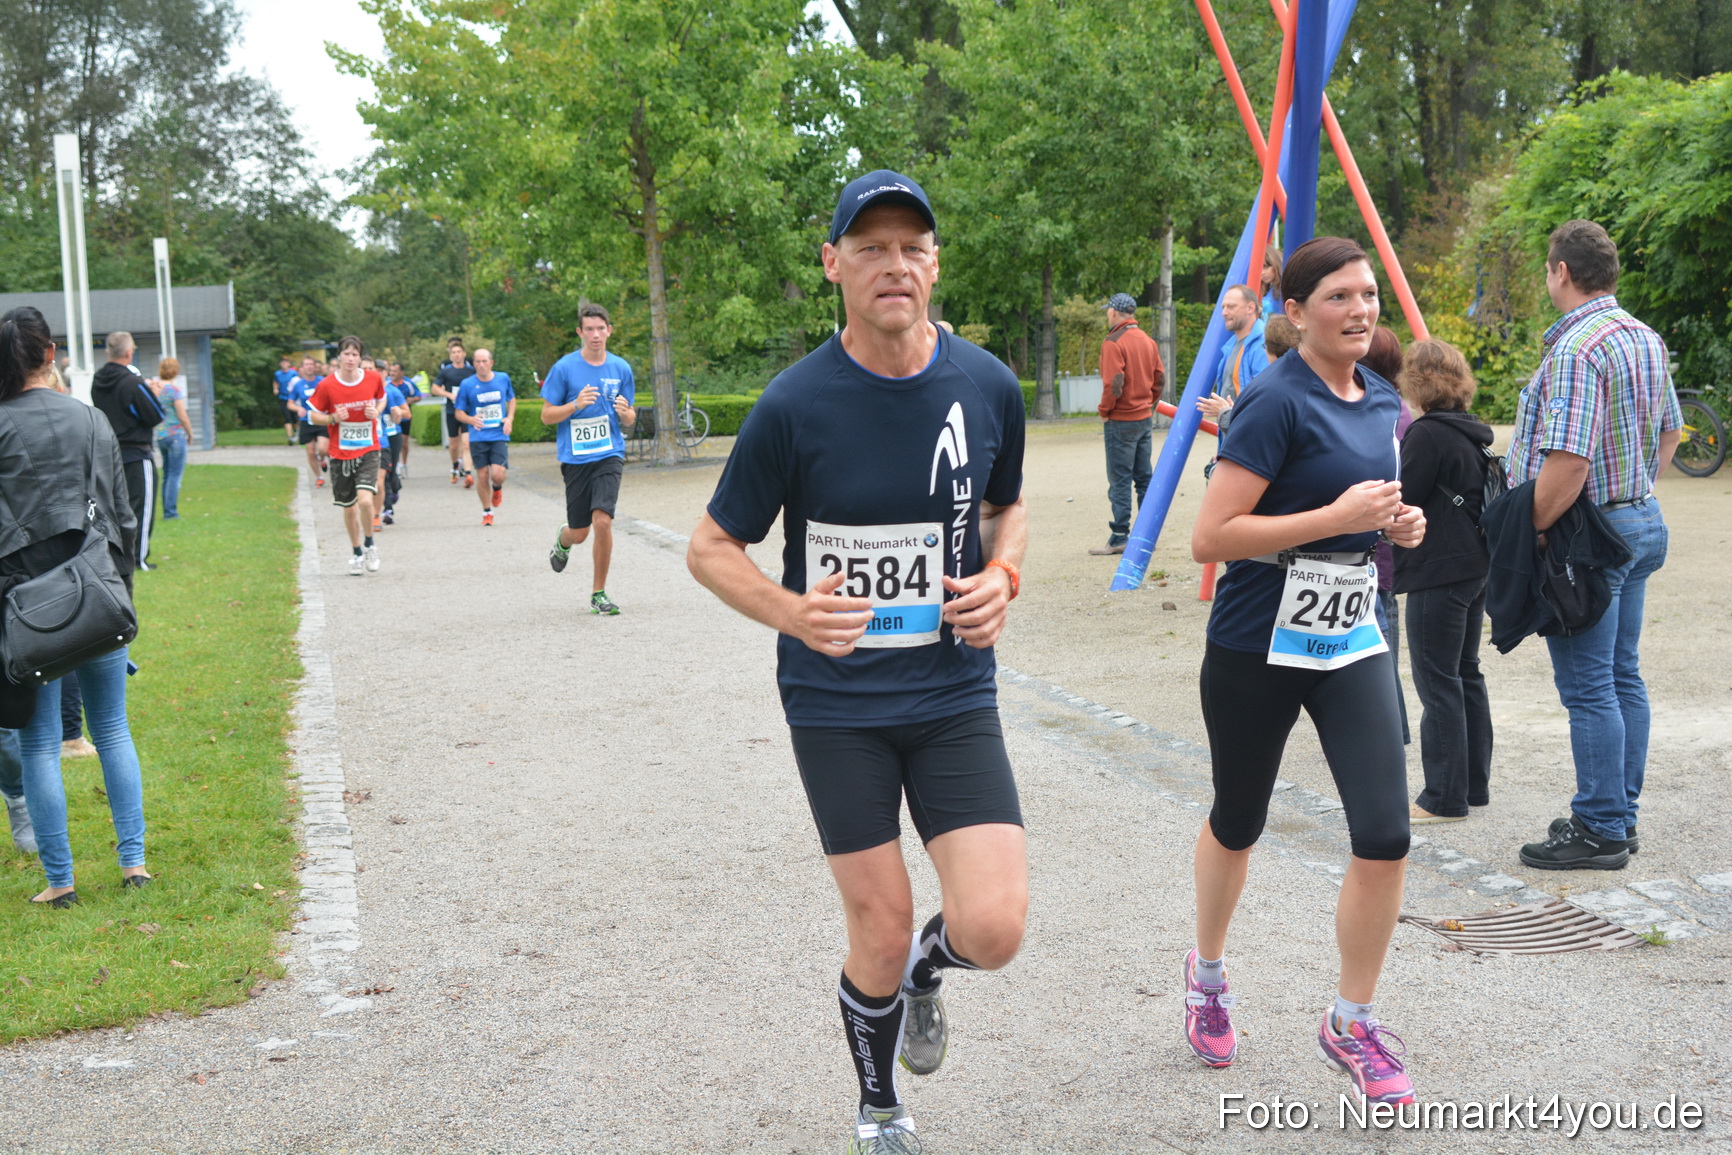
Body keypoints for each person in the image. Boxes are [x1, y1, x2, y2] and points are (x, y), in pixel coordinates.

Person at [687, 170, 1029, 1154]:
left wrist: (1003, 573)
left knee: (994, 929)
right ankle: (879, 1104)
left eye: (910, 246)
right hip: (837, 707)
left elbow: (1010, 507)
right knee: (877, 924)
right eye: (868, 247)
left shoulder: (986, 383)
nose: (893, 264)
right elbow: (712, 546)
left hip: (954, 691)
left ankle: (933, 971)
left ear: (934, 264)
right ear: (832, 264)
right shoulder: (794, 405)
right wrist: (794, 612)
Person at [1185, 237, 1424, 1104]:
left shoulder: (1383, 400)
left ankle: (1351, 1021)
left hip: (1347, 635)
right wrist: (1332, 514)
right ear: (1295, 311)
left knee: (1386, 832)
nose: (1361, 310)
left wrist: (1396, 526)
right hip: (1257, 641)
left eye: (1368, 295)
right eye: (1339, 297)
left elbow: (1368, 510)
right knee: (1239, 821)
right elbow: (1211, 537)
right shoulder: (1270, 403)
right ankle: (1208, 973)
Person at [1507, 220, 1681, 870]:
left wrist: (1532, 529)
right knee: (1620, 674)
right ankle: (1619, 813)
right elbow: (1671, 431)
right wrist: (1633, 486)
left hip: (1586, 536)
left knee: (1589, 688)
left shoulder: (1577, 349)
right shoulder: (1643, 337)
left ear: (1559, 271)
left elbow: (1568, 463)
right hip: (1636, 520)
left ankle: (1601, 826)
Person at [0, 305, 151, 906]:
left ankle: (60, 880)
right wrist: (123, 598)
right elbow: (122, 514)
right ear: (50, 352)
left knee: (40, 745)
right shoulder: (90, 418)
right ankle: (133, 864)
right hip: (97, 592)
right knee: (112, 729)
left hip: (25, 608)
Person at [1392, 339, 1495, 824]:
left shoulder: (1427, 434)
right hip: (1473, 566)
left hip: (1439, 569)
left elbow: (1401, 496)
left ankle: (1443, 796)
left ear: (1419, 381)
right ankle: (1472, 785)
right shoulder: (1471, 433)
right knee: (1465, 674)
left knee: (1438, 680)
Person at [541, 305, 636, 615]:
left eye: (601, 328)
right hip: (576, 458)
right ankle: (564, 538)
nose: (596, 334)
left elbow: (631, 417)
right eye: (589, 329)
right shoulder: (564, 368)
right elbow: (546, 416)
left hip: (609, 453)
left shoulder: (621, 368)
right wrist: (574, 405)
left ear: (609, 330)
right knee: (580, 533)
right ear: (580, 332)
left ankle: (599, 593)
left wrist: (627, 415)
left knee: (603, 521)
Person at [1360, 327, 1413, 746]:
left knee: (1380, 656)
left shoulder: (1386, 414)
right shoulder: (1399, 411)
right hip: (1379, 556)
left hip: (1376, 556)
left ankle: (1389, 737)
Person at [306, 336, 387, 577]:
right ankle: (356, 552)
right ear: (339, 356)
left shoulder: (372, 378)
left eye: (355, 354)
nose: (350, 359)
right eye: (346, 354)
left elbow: (381, 398)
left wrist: (377, 411)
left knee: (365, 501)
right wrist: (332, 418)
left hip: (369, 448)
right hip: (340, 453)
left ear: (360, 358)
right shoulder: (327, 385)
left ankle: (370, 545)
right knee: (349, 507)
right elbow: (313, 416)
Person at [1091, 292, 1163, 556]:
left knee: (1120, 479)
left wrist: (1104, 410)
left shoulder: (1113, 341)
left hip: (1121, 420)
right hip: (1144, 417)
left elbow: (1115, 383)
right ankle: (1147, 535)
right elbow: (1160, 379)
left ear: (1113, 312)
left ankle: (1120, 535)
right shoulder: (1147, 340)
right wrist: (1148, 403)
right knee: (1144, 478)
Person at [90, 331, 163, 571]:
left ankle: (114, 554)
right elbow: (155, 415)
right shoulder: (133, 382)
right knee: (140, 507)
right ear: (129, 353)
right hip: (136, 452)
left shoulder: (98, 380)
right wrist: (155, 394)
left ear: (107, 352)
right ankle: (138, 559)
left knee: (113, 508)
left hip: (109, 453)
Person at [1196, 284, 1270, 430]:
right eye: (1223, 307)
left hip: (1248, 435)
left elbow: (1266, 400)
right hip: (1234, 433)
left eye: (1231, 306)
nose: (1224, 312)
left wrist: (1225, 413)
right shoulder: (1231, 346)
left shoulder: (1263, 345)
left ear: (1250, 308)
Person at [454, 349, 515, 526]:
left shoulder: (503, 378)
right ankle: (487, 512)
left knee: (498, 473)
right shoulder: (467, 384)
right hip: (478, 436)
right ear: (473, 364)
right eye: (477, 362)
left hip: (498, 434)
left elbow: (512, 399)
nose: (481, 365)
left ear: (491, 363)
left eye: (484, 361)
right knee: (482, 475)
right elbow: (459, 412)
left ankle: (497, 488)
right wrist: (470, 419)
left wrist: (509, 418)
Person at [151, 357, 192, 520]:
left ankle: (167, 510)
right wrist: (190, 433)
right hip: (175, 436)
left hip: (161, 436)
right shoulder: (174, 390)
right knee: (175, 475)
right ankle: (171, 512)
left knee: (167, 475)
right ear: (176, 370)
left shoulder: (156, 390)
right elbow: (182, 415)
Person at [432, 338, 475, 488]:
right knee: (453, 445)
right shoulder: (446, 371)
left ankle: (468, 472)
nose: (456, 355)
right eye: (453, 353)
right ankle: (455, 465)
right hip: (452, 411)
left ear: (464, 354)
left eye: (459, 352)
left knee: (467, 443)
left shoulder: (471, 371)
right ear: (450, 356)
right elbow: (434, 388)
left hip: (467, 412)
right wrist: (450, 395)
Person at [286, 354, 329, 489]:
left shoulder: (322, 381)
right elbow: (290, 404)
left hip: (321, 419)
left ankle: (321, 458)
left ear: (315, 367)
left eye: (311, 364)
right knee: (310, 451)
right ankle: (319, 477)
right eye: (306, 365)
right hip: (306, 420)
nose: (309, 367)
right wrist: (298, 408)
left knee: (323, 449)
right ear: (302, 368)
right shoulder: (298, 385)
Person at [378, 368, 411, 525]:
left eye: (379, 370)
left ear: (385, 373)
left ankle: (395, 486)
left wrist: (398, 412)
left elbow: (407, 413)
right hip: (377, 437)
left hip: (393, 434)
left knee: (390, 471)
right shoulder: (365, 392)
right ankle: (388, 509)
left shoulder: (392, 391)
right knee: (381, 473)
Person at [388, 361, 419, 477]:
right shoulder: (387, 384)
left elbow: (419, 396)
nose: (392, 373)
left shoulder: (408, 383)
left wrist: (411, 400)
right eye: (391, 371)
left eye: (395, 371)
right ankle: (393, 465)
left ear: (401, 372)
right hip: (391, 417)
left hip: (405, 416)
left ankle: (403, 464)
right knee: (393, 440)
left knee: (404, 441)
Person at [275, 355, 299, 444]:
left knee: (294, 417)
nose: (284, 364)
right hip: (283, 397)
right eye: (282, 362)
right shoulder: (277, 374)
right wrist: (276, 389)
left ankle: (296, 431)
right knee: (287, 418)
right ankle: (289, 437)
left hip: (292, 398)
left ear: (288, 364)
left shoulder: (293, 373)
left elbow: (297, 383)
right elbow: (275, 382)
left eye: (285, 362)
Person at [1260, 245, 1285, 318]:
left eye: (1266, 267)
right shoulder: (1269, 290)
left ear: (1275, 264)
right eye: (1260, 268)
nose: (1262, 273)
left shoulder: (1283, 288)